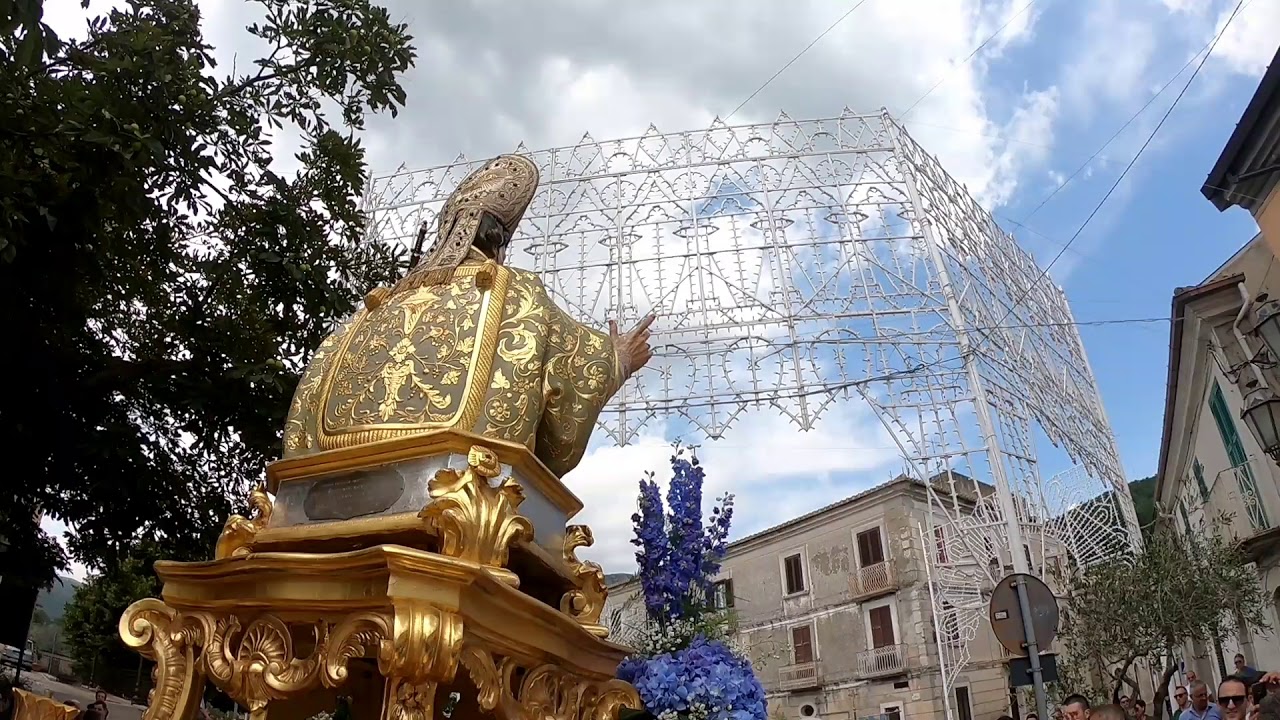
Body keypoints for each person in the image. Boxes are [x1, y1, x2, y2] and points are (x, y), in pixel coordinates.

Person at [280, 154, 656, 479]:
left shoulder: (375, 308)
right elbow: (570, 374)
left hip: (322, 497)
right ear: (498, 242)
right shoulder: (515, 292)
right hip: (464, 502)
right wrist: (618, 359)